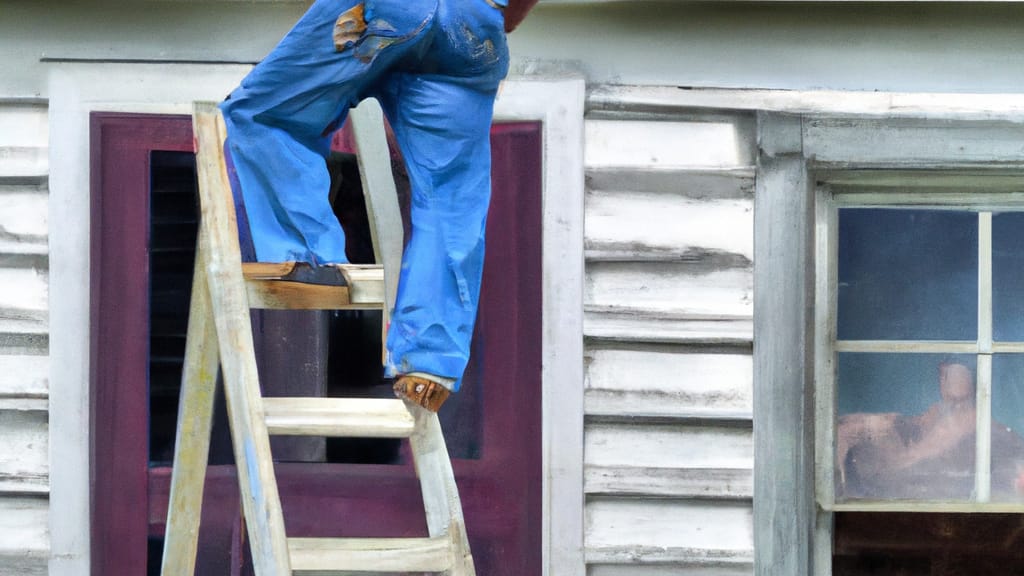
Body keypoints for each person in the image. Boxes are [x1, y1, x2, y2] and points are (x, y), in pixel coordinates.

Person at [221, 0, 538, 411]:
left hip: (386, 9)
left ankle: (306, 258)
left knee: (263, 115)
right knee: (450, 194)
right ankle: (430, 362)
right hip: (475, 24)